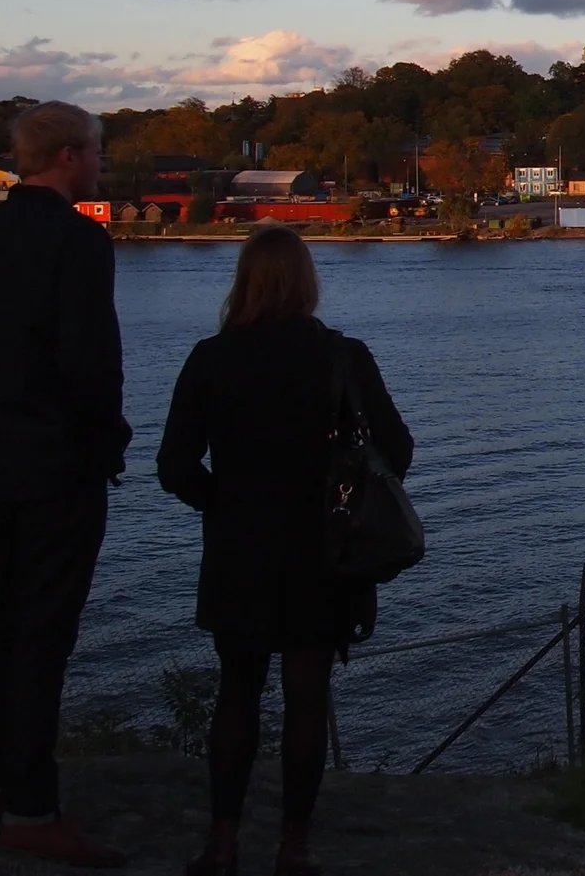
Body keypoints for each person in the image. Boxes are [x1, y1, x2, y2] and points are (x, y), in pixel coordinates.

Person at [157, 225, 413, 876]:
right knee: (306, 695)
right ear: (306, 282)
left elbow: (174, 465)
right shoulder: (343, 356)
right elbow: (398, 449)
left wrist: (221, 503)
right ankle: (293, 849)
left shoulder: (210, 358)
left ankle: (222, 844)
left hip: (238, 550)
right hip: (321, 551)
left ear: (244, 281)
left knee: (236, 693)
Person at [0, 100, 132, 868]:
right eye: (98, 151)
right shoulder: (78, 241)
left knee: (3, 614)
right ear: (71, 156)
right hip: (57, 462)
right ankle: (32, 806)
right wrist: (106, 442)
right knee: (45, 628)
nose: (101, 164)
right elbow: (91, 361)